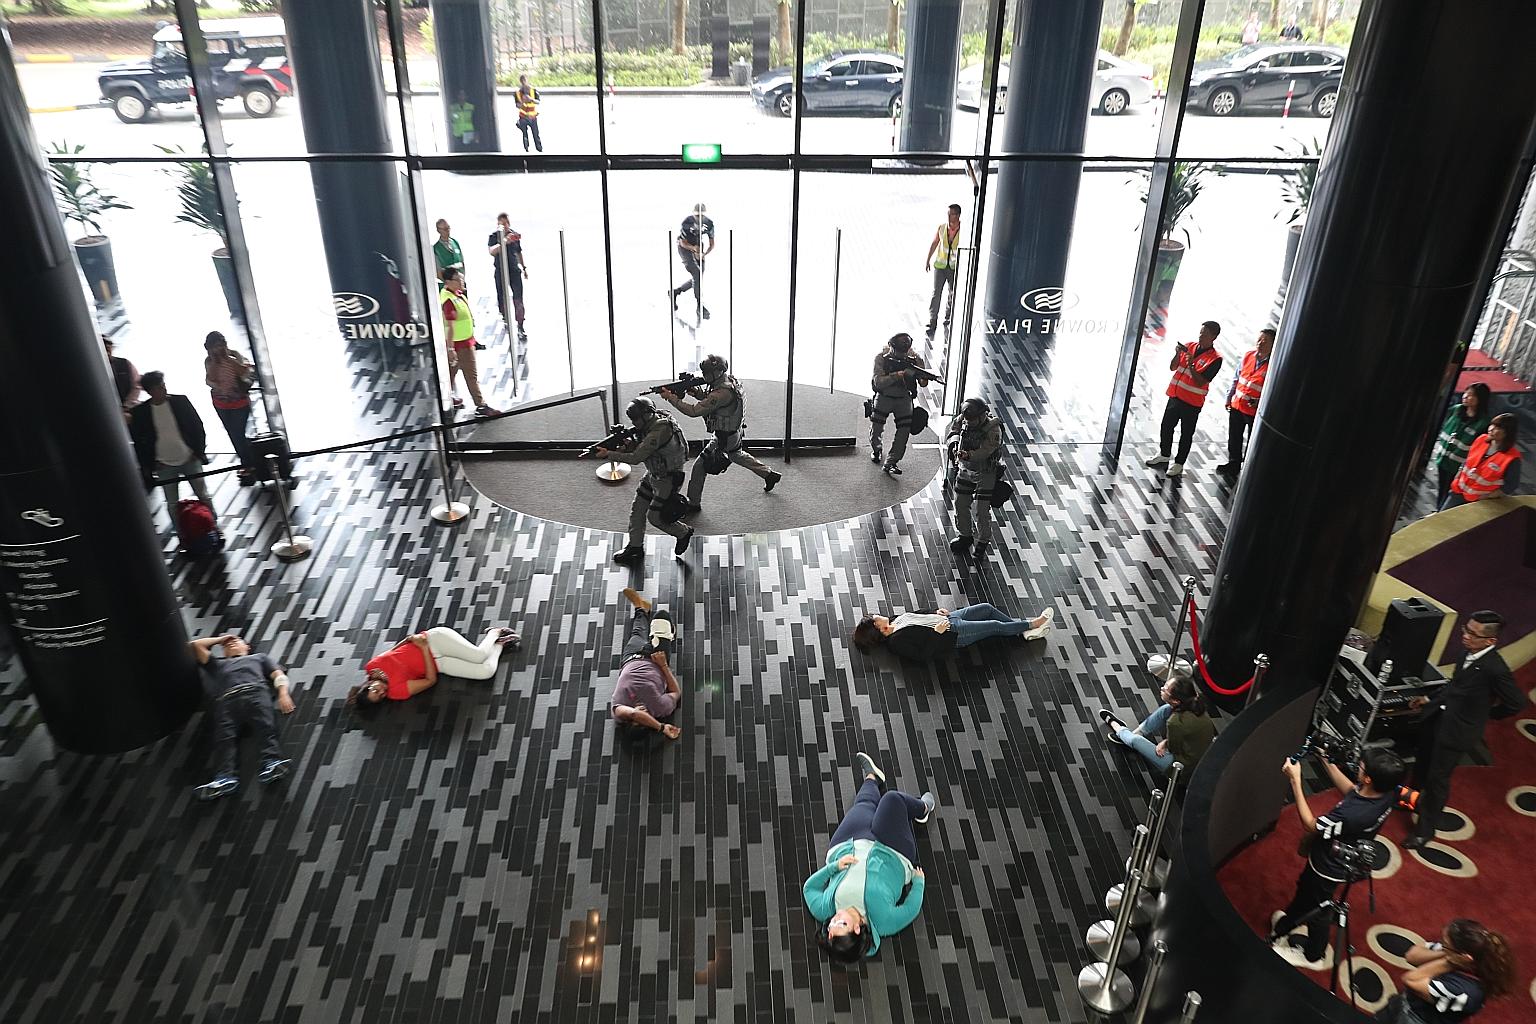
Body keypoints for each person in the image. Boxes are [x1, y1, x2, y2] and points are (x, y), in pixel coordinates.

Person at [1268, 748, 1406, 968]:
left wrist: (1295, 780)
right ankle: (1287, 923)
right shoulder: (1387, 791)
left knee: (1319, 909)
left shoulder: (1354, 814)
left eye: (1361, 767)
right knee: (1305, 890)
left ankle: (1314, 955)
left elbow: (1311, 825)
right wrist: (1325, 760)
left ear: (1369, 778)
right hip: (1329, 856)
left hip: (1329, 866)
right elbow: (1352, 790)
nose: (1357, 767)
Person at [1402, 611, 1525, 849]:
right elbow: (1456, 685)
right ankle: (1410, 799)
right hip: (1438, 718)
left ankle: (1424, 830)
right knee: (1422, 764)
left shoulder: (1495, 669)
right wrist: (1429, 699)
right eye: (1465, 629)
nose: (1465, 636)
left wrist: (1486, 715)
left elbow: (1516, 703)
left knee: (1438, 780)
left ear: (1490, 641)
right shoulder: (1465, 652)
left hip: (1457, 732)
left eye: (1472, 633)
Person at [803, 752, 936, 962]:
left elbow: (809, 888)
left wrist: (834, 867)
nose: (834, 920)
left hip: (848, 844)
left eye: (831, 926)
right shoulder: (883, 922)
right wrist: (918, 884)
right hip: (892, 851)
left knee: (863, 805)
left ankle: (872, 777)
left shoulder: (825, 909)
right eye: (842, 924)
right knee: (891, 801)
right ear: (857, 929)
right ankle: (923, 809)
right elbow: (910, 910)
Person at [659, 353, 782, 513]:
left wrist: (671, 398)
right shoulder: (729, 381)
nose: (703, 376)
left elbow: (694, 411)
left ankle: (693, 504)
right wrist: (696, 392)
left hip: (724, 437)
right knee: (737, 455)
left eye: (706, 373)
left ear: (716, 373)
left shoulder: (722, 393)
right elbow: (714, 400)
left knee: (699, 467)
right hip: (733, 432)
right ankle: (769, 475)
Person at [586, 396, 694, 566]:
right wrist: (626, 444)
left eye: (637, 419)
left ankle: (683, 532)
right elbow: (640, 446)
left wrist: (609, 454)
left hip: (667, 479)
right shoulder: (651, 423)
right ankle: (635, 547)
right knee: (637, 510)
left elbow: (637, 457)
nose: (634, 423)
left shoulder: (659, 431)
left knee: (655, 517)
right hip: (654, 473)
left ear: (647, 415)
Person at [190, 633, 295, 801]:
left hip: (256, 692)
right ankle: (225, 777)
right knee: (224, 738)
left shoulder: (259, 658)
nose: (230, 644)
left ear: (247, 647)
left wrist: (283, 694)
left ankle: (272, 762)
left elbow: (278, 675)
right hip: (226, 699)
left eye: (236, 641)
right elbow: (196, 645)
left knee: (266, 727)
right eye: (226, 645)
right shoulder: (217, 664)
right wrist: (221, 639)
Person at [1374, 919, 1517, 1024]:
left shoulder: (1466, 991)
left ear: (1464, 956)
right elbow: (1411, 956)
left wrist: (1449, 962)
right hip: (1404, 1005)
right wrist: (1446, 954)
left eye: (1445, 944)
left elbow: (1411, 980)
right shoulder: (1453, 952)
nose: (1441, 945)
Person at [348, 625, 519, 707]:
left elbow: (393, 652)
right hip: (437, 662)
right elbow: (430, 681)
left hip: (434, 640)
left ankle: (494, 632)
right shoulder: (396, 692)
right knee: (485, 672)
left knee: (479, 655)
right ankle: (499, 645)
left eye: (376, 691)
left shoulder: (372, 667)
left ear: (368, 685)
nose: (382, 692)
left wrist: (410, 639)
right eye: (381, 696)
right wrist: (422, 649)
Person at [128, 371, 214, 513]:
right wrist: (151, 464)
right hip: (164, 464)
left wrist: (197, 452)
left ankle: (214, 529)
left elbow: (197, 427)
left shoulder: (180, 402)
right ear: (150, 391)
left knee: (203, 495)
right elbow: (139, 442)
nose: (164, 389)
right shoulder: (140, 413)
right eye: (160, 387)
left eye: (164, 385)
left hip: (189, 458)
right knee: (172, 502)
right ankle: (182, 534)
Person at [1146, 321, 1223, 478]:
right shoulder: (1189, 346)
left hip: (1192, 402)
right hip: (1175, 395)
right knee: (1166, 426)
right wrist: (1177, 354)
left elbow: (1201, 381)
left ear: (1214, 337)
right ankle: (1164, 454)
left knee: (1186, 433)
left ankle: (1179, 463)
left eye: (1206, 334)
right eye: (1201, 332)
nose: (1201, 336)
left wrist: (1190, 364)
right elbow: (1173, 367)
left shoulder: (1215, 359)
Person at [1097, 673, 1216, 775]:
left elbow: (1175, 749)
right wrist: (1166, 742)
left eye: (1165, 689)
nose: (1162, 688)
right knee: (1166, 709)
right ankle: (1134, 734)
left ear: (1176, 700)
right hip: (1200, 755)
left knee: (1135, 741)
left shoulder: (1175, 722)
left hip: (1181, 767)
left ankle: (1116, 726)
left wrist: (1165, 743)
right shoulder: (1196, 704)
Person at [851, 604, 1053, 662]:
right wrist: (937, 634)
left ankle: (1022, 629)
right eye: (875, 618)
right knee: (993, 625)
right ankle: (1033, 624)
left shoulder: (894, 619)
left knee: (986, 608)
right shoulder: (896, 643)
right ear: (879, 628)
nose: (877, 614)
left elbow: (917, 615)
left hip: (950, 618)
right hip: (953, 633)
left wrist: (934, 611)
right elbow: (922, 656)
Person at [609, 588, 683, 740]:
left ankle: (640, 607)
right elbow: (676, 693)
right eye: (643, 721)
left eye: (636, 721)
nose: (641, 713)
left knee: (638, 632)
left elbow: (634, 713)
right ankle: (668, 633)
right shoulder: (660, 708)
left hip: (631, 657)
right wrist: (663, 666)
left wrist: (660, 727)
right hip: (656, 657)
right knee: (662, 617)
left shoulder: (619, 711)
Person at [945, 397, 1003, 556]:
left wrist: (968, 455)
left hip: (985, 472)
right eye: (967, 418)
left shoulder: (993, 430)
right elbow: (953, 430)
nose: (968, 422)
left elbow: (986, 451)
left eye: (972, 419)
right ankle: (965, 535)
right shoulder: (965, 418)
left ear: (983, 415)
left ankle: (983, 540)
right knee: (960, 503)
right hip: (965, 468)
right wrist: (954, 444)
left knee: (981, 510)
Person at [869, 332, 933, 477]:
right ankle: (876, 449)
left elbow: (923, 383)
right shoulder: (882, 358)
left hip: (904, 397)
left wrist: (920, 375)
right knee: (877, 426)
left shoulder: (914, 360)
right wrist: (897, 375)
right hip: (884, 396)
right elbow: (878, 381)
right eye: (898, 351)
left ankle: (892, 461)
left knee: (903, 432)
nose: (901, 355)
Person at [440, 268, 499, 417]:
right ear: (448, 282)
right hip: (461, 345)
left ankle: (446, 399)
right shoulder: (448, 300)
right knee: (471, 376)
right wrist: (451, 348)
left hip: (465, 342)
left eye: (461, 278)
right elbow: (450, 326)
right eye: (458, 279)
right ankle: (481, 406)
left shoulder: (456, 294)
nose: (462, 281)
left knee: (450, 374)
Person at [1217, 327, 1274, 480]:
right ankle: (1233, 464)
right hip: (1237, 405)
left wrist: (1260, 402)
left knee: (1252, 441)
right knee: (1234, 437)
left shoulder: (1273, 365)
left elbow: (1272, 390)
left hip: (1254, 411)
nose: (1260, 343)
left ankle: (1249, 469)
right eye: (1259, 339)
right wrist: (1229, 397)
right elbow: (1237, 378)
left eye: (1265, 341)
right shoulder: (1249, 356)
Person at [203, 331, 256, 486]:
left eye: (220, 345)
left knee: (238, 432)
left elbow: (245, 372)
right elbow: (210, 379)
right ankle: (247, 461)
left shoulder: (234, 356)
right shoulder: (209, 361)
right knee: (233, 433)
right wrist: (214, 361)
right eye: (214, 347)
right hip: (221, 403)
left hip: (239, 402)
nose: (218, 349)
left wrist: (229, 360)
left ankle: (249, 463)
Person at [1439, 413, 1521, 511]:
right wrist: (1457, 477)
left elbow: (1511, 485)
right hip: (1458, 491)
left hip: (1480, 502)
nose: (1491, 429)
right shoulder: (1481, 439)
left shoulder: (1512, 458)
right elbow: (1467, 461)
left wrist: (1488, 497)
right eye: (1492, 424)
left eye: (1498, 427)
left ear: (1507, 433)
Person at [1429, 383, 1491, 506]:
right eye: (1466, 392)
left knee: (1451, 492)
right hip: (1443, 459)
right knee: (1442, 488)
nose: (1466, 396)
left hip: (1460, 466)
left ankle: (1442, 512)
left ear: (1480, 400)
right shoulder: (1456, 410)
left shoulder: (1484, 423)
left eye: (1471, 395)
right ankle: (1439, 510)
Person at [487, 212, 528, 342]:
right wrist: (504, 242)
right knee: (502, 297)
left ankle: (520, 325)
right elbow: (492, 251)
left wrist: (524, 267)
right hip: (500, 271)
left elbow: (519, 252)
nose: (504, 227)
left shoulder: (514, 235)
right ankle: (505, 318)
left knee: (518, 298)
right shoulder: (494, 237)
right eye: (501, 224)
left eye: (505, 224)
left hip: (514, 271)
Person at [670, 203, 715, 321]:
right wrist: (693, 248)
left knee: (698, 277)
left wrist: (704, 253)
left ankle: (675, 292)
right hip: (684, 246)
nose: (699, 217)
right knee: (696, 273)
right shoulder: (687, 222)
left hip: (698, 245)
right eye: (697, 215)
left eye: (702, 215)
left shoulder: (709, 223)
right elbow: (682, 242)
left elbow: (712, 243)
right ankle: (699, 305)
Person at [924, 203, 962, 335]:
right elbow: (935, 243)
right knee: (936, 293)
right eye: (948, 213)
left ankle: (948, 317)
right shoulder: (942, 228)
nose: (948, 216)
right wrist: (928, 259)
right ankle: (932, 320)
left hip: (953, 268)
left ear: (957, 215)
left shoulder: (964, 230)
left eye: (950, 214)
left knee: (952, 293)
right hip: (940, 266)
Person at [103, 336, 141, 417]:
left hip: (127, 409)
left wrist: (125, 406)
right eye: (104, 348)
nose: (107, 352)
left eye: (108, 348)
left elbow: (136, 386)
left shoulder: (124, 363)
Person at [432, 218, 465, 284]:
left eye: (448, 228)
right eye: (445, 229)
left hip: (460, 284)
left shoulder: (455, 242)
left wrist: (462, 280)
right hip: (447, 287)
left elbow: (462, 262)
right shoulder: (436, 249)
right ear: (438, 230)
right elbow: (438, 272)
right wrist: (449, 284)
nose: (447, 231)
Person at [515, 74, 543, 153]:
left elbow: (538, 101)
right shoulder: (518, 93)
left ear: (527, 80)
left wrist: (531, 99)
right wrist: (523, 101)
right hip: (523, 117)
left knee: (536, 134)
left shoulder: (533, 90)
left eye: (525, 80)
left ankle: (539, 149)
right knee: (525, 135)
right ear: (520, 82)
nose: (524, 82)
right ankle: (526, 150)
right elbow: (517, 105)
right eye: (522, 81)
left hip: (532, 117)